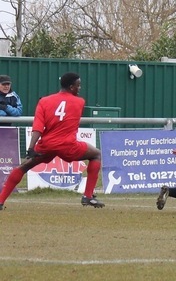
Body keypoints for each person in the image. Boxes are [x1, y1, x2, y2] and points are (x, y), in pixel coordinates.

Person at [0, 72, 104, 210]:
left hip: (47, 146)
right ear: (72, 86)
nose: (80, 88)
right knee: (96, 154)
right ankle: (88, 196)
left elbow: (38, 127)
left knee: (23, 167)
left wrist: (31, 148)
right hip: (68, 146)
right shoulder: (80, 102)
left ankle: (1, 201)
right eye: (78, 85)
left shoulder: (44, 101)